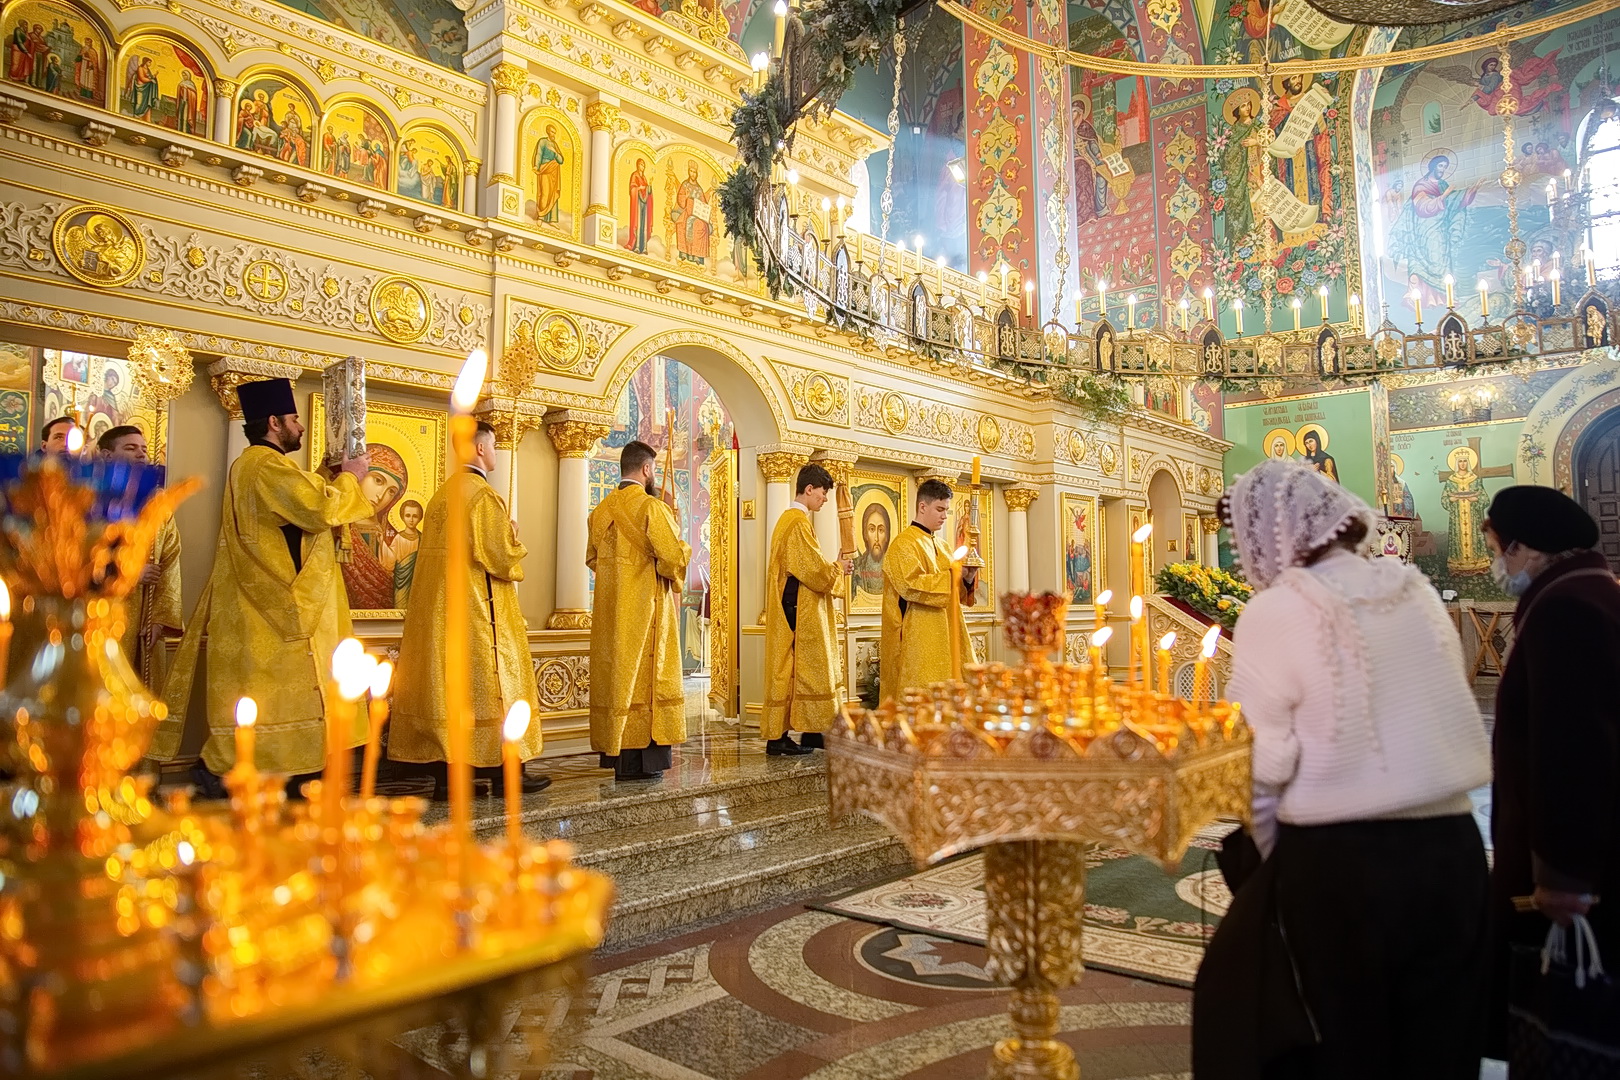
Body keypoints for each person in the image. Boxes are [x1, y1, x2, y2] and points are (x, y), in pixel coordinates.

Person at [1193, 459, 1491, 1079]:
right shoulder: (1415, 589)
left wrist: (1276, 869)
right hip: (1454, 850)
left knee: (1347, 1044)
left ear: (1274, 534)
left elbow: (1259, 768)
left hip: (1341, 866)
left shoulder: (1276, 611)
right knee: (1441, 1042)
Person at [152, 378, 372, 797]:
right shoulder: (264, 465)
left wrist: (328, 475)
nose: (302, 427)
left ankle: (261, 780)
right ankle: (247, 782)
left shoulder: (254, 466)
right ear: (274, 422)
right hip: (277, 611)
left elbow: (294, 513)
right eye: (294, 419)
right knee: (284, 705)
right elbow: (318, 509)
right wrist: (351, 479)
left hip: (256, 610)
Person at [1480, 486, 1620, 1060]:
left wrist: (1563, 875)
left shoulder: (1566, 608)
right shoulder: (1589, 592)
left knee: (1570, 1021)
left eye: (1495, 548)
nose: (1494, 563)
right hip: (1592, 857)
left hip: (1583, 870)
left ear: (1524, 547)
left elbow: (1574, 750)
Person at [390, 421, 548, 798]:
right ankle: (507, 772)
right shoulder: (482, 497)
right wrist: (513, 536)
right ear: (480, 449)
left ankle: (452, 779)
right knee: (497, 688)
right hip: (481, 616)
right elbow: (501, 558)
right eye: (492, 445)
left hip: (441, 618)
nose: (494, 452)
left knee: (453, 694)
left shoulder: (441, 497)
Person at [587, 440, 691, 780]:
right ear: (647, 469)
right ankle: (645, 764)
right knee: (646, 680)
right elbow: (672, 560)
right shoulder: (651, 509)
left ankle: (620, 758)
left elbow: (592, 559)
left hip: (611, 615)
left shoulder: (600, 510)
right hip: (646, 615)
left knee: (618, 679)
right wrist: (680, 541)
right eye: (654, 469)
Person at [761, 464, 851, 757]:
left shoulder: (791, 521)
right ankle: (779, 738)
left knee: (800, 670)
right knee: (799, 669)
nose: (825, 500)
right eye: (823, 493)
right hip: (798, 609)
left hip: (796, 606)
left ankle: (814, 731)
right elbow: (812, 570)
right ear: (809, 489)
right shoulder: (796, 522)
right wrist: (838, 568)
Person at [97, 425, 182, 695]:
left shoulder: (157, 502)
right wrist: (129, 571)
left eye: (144, 449)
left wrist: (161, 617)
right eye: (130, 448)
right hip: (103, 612)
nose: (141, 454)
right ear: (107, 455)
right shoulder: (90, 496)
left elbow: (170, 556)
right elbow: (80, 553)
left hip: (145, 616)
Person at [879, 478, 976, 699]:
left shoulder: (942, 546)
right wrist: (953, 575)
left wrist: (966, 579)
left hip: (948, 631)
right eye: (939, 509)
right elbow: (911, 585)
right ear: (922, 507)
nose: (944, 516)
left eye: (947, 511)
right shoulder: (903, 544)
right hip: (919, 636)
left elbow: (954, 593)